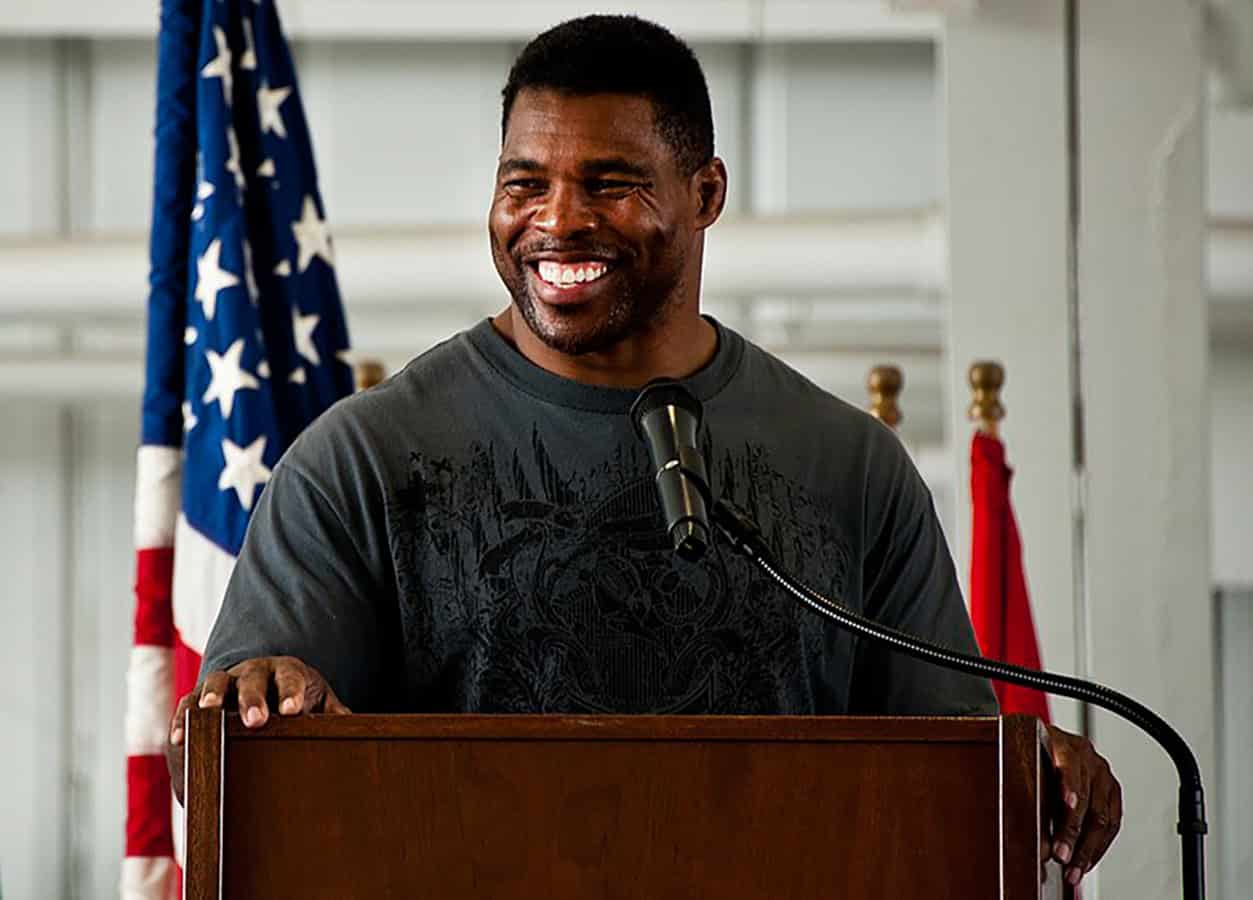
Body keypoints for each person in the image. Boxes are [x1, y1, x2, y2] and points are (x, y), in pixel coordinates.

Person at [168, 14, 1121, 886]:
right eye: (523, 185)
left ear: (703, 192)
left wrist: (1033, 770)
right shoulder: (362, 459)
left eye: (609, 184)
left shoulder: (848, 465)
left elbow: (948, 774)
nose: (556, 221)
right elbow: (218, 761)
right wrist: (250, 704)